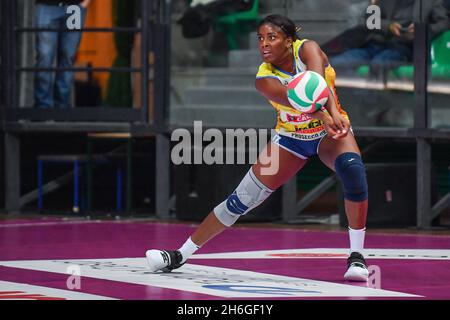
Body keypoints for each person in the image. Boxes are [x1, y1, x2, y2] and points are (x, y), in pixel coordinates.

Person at [146, 14, 370, 281]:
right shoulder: (264, 78)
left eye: (271, 38)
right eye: (260, 39)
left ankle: (357, 258)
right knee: (240, 200)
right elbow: (299, 100)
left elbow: (319, 87)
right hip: (290, 138)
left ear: (288, 41)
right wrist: (324, 115)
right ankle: (180, 254)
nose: (264, 44)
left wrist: (334, 117)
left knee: (352, 169)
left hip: (327, 134)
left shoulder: (307, 49)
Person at [329, 0, 449, 76]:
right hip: (374, 44)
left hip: (402, 47)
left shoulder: (432, 2)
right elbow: (369, 21)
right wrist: (388, 26)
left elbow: (444, 23)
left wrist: (421, 29)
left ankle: (369, 107)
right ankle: (354, 104)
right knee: (337, 64)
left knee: (378, 65)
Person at [34, 0, 91, 109]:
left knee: (68, 56)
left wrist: (85, 3)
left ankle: (62, 107)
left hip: (74, 8)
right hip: (48, 6)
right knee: (45, 56)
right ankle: (42, 107)